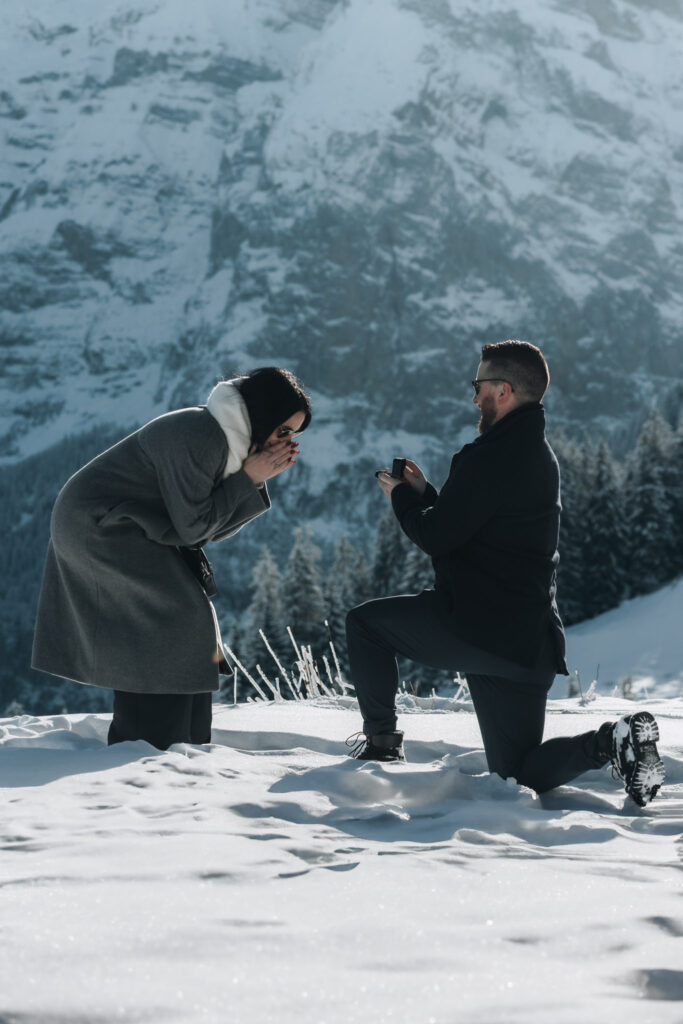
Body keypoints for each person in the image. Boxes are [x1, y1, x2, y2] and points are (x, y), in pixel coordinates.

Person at [345, 340, 665, 807]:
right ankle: (610, 742)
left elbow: (439, 537)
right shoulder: (538, 454)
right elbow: (476, 525)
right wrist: (428, 494)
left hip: (476, 627)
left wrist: (403, 497)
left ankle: (380, 747)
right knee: (517, 773)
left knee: (365, 626)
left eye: (478, 386)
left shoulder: (490, 456)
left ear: (504, 390)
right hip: (528, 643)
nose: (473, 397)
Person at [32, 367, 311, 750]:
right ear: (261, 414)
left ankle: (182, 741)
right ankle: (151, 742)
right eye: (283, 431)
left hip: (131, 525)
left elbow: (205, 530)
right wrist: (248, 479)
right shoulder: (201, 435)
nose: (286, 442)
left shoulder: (228, 442)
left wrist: (252, 478)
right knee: (169, 618)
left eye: (292, 435)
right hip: (100, 526)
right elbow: (195, 529)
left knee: (185, 619)